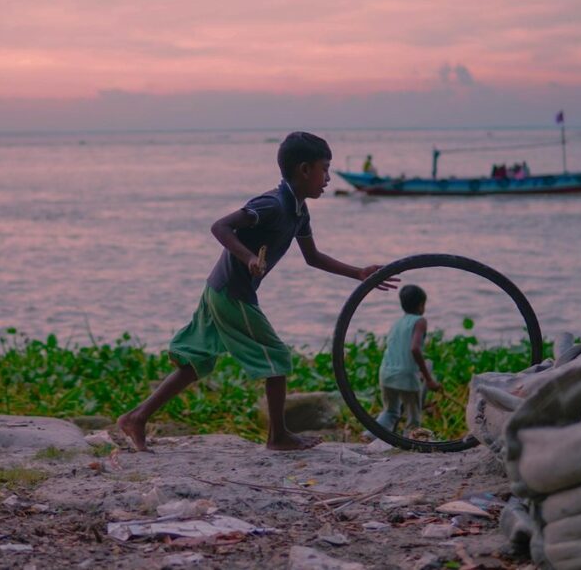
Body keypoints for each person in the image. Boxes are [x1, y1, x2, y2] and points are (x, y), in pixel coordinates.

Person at [117, 132, 397, 452]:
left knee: (196, 364)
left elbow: (313, 258)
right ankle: (277, 437)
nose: (329, 178)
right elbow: (220, 227)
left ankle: (136, 418)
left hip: (219, 289)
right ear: (304, 170)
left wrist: (359, 273)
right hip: (231, 294)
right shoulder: (272, 205)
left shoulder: (298, 211)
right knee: (276, 359)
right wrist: (248, 256)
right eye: (325, 169)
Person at [373, 284, 441, 436]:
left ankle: (369, 435)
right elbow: (415, 349)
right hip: (406, 377)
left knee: (390, 412)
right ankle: (409, 446)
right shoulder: (420, 321)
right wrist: (429, 380)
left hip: (386, 373)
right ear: (421, 305)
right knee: (413, 420)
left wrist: (422, 372)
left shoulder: (397, 322)